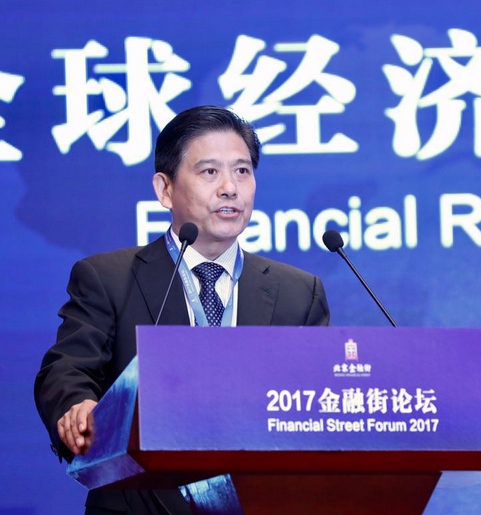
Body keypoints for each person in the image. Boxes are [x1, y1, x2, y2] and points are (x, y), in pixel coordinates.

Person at [34, 106, 330, 514]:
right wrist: (77, 408)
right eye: (210, 171)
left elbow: (317, 405)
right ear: (165, 189)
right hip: (139, 504)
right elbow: (67, 369)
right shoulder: (108, 278)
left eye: (242, 171)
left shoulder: (298, 292)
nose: (230, 188)